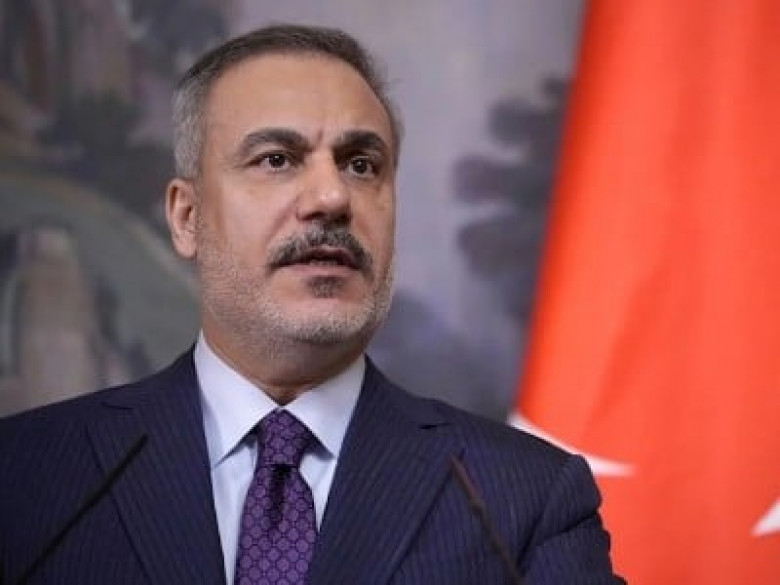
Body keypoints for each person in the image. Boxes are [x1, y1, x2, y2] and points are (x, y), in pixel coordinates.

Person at [0, 24, 624, 585]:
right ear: (187, 218)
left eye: (362, 165)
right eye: (276, 159)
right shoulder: (25, 476)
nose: (332, 197)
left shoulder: (524, 499)